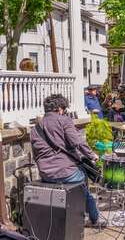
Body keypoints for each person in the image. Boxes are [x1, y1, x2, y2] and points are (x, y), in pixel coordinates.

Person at [30, 94, 103, 227]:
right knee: (85, 183)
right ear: (59, 108)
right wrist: (92, 155)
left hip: (46, 174)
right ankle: (94, 219)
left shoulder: (35, 128)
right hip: (68, 174)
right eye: (64, 109)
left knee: (78, 170)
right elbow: (78, 142)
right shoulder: (64, 120)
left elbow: (36, 154)